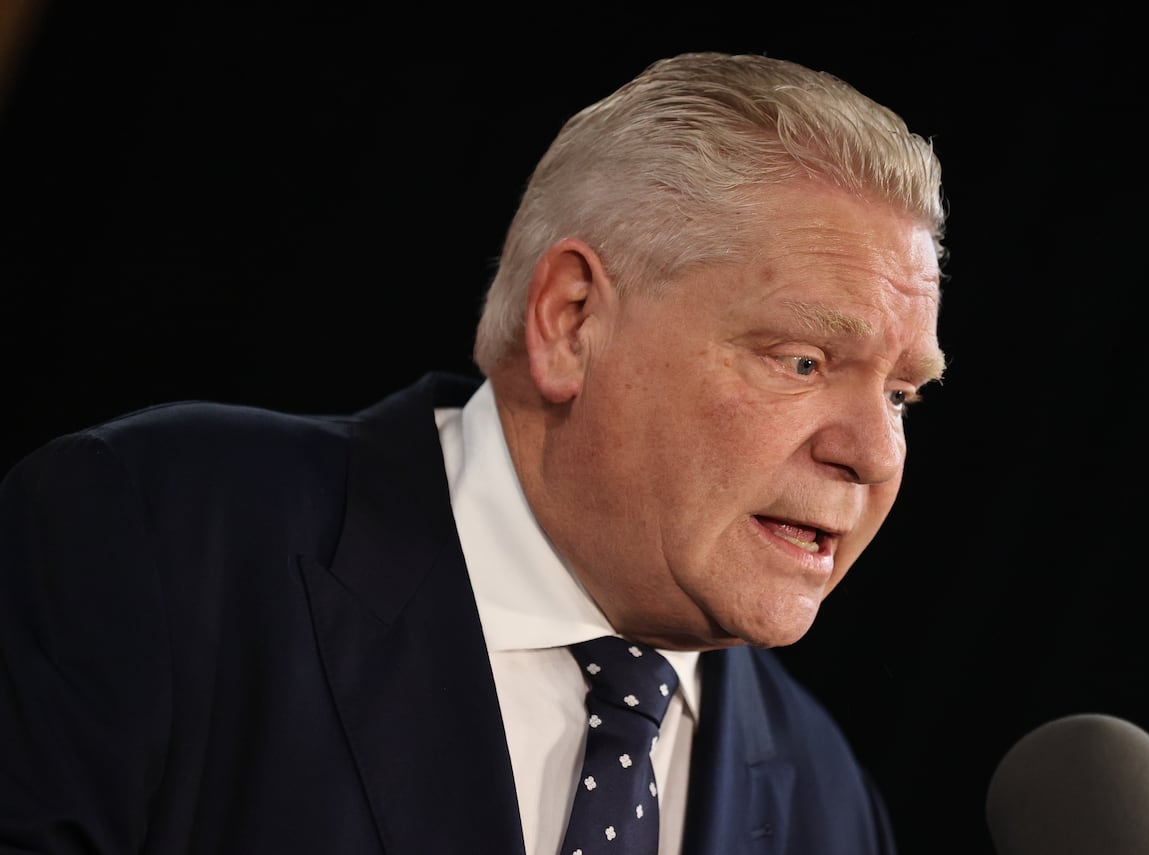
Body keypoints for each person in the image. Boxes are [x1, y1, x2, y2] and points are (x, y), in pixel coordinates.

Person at [0, 51, 947, 854]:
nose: (871, 452)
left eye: (902, 392)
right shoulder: (156, 535)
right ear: (571, 321)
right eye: (804, 359)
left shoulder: (828, 804)